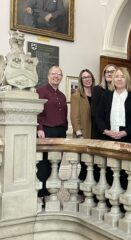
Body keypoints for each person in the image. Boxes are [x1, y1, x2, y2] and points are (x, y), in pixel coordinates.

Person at [36, 65, 67, 198]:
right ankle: (41, 193)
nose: (56, 76)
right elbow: (37, 113)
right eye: (53, 74)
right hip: (46, 131)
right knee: (44, 163)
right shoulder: (40, 91)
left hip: (60, 131)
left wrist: (65, 129)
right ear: (48, 76)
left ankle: (51, 190)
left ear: (61, 77)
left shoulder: (62, 95)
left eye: (59, 74)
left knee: (57, 162)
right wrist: (40, 128)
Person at [95, 67, 131, 143]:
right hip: (107, 139)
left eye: (122, 77)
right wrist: (106, 131)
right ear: (113, 80)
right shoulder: (105, 96)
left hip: (128, 139)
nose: (119, 79)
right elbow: (98, 117)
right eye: (117, 77)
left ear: (127, 80)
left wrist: (125, 132)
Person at [91, 64, 116, 139]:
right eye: (107, 72)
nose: (109, 74)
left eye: (112, 71)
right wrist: (104, 129)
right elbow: (94, 112)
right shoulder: (97, 89)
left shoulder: (118, 91)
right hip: (100, 130)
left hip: (115, 131)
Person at [70, 69, 95, 139]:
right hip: (83, 134)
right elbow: (74, 117)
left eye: (89, 77)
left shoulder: (97, 95)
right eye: (84, 78)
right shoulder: (76, 96)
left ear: (92, 78)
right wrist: (79, 134)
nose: (87, 79)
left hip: (96, 133)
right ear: (81, 80)